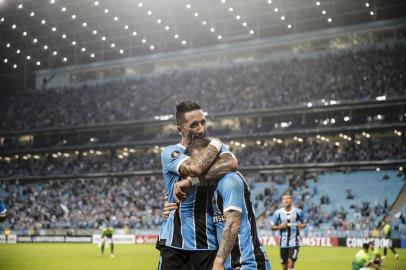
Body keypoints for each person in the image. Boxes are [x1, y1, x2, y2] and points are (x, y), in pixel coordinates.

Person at [157, 101, 238, 270]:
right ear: (180, 129)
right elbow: (195, 167)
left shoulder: (215, 147)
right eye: (194, 125)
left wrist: (189, 181)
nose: (201, 129)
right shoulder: (171, 152)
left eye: (203, 122)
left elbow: (231, 163)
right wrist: (217, 144)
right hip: (174, 243)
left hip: (208, 243)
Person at [184, 138, 271, 270]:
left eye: (201, 159)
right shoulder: (211, 185)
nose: (199, 165)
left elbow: (232, 224)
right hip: (230, 264)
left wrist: (218, 261)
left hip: (247, 264)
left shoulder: (230, 180)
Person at [271, 194, 306, 270]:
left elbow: (304, 224)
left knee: (291, 263)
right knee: (284, 265)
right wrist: (280, 226)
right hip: (283, 243)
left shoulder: (298, 212)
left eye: (288, 198)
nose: (286, 200)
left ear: (291, 200)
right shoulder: (278, 213)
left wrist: (301, 225)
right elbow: (273, 227)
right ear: (282, 201)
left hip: (294, 242)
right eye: (284, 199)